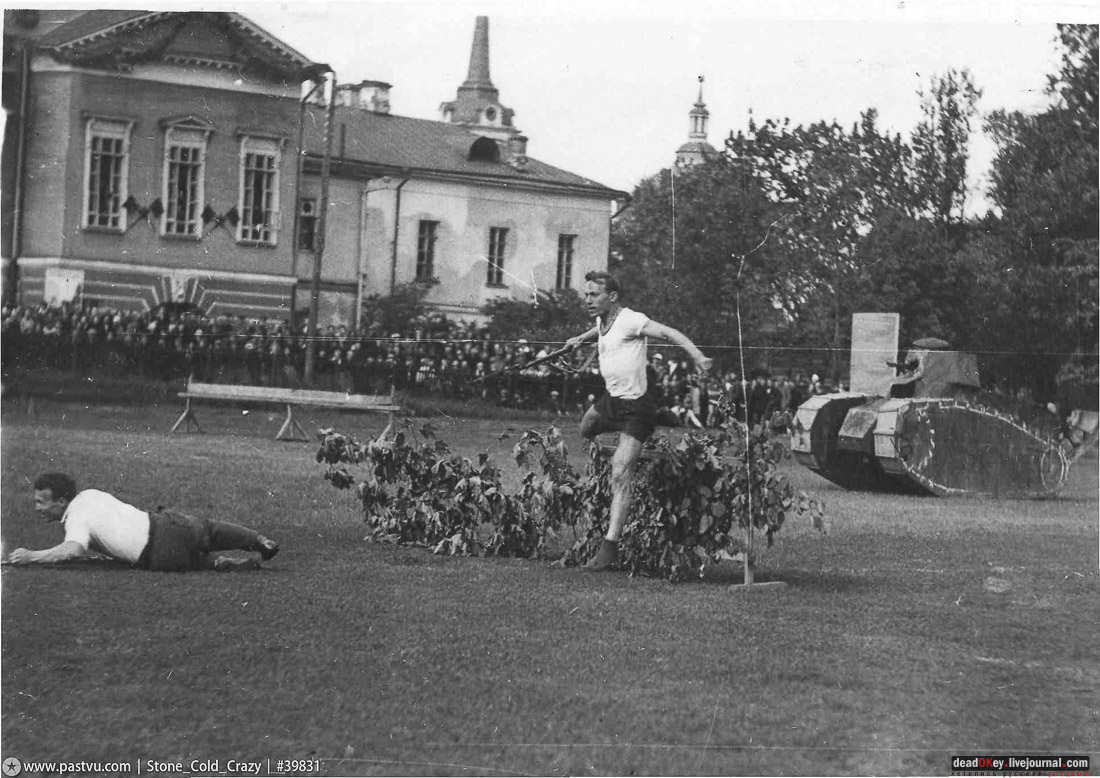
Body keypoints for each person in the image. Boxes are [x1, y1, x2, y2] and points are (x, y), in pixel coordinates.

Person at [564, 270, 713, 571]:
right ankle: (649, 421)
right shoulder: (601, 320)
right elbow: (599, 331)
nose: (588, 300)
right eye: (587, 294)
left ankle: (608, 549)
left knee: (620, 472)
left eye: (594, 295)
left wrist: (697, 356)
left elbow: (669, 332)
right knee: (585, 428)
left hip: (636, 407)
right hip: (611, 401)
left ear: (613, 297)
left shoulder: (632, 319)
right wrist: (580, 338)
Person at [7, 473, 280, 571]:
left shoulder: (76, 519)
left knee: (198, 563)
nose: (37, 507)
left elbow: (72, 550)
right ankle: (256, 539)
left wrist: (32, 556)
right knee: (209, 529)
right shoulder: (90, 495)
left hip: (158, 555)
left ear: (62, 502)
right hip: (166, 523)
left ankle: (223, 563)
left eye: (42, 501)